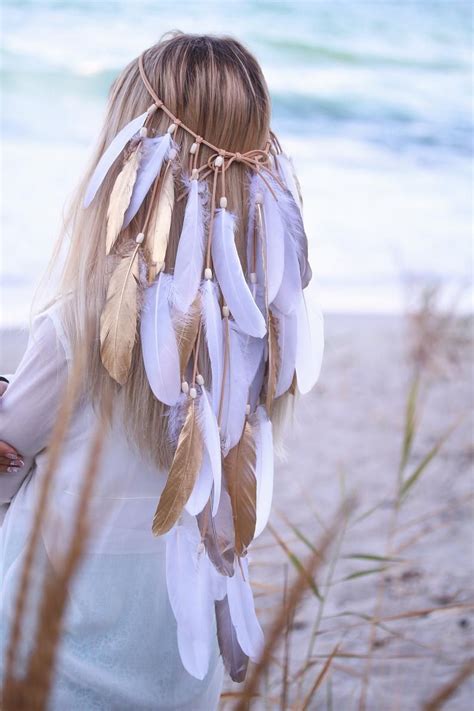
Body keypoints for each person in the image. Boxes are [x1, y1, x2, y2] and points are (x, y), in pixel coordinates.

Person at [0, 32, 319, 710]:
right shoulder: (261, 331)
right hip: (176, 667)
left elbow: (8, 448)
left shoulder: (80, 322)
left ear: (125, 165)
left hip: (53, 653)